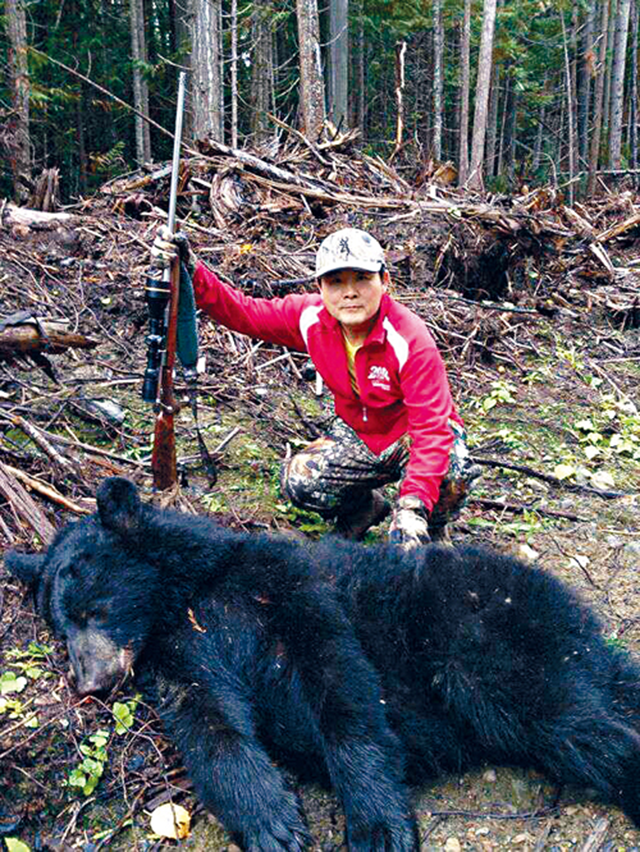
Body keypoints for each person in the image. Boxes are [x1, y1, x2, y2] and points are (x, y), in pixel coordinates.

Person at [151, 226, 479, 549]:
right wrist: (192, 271)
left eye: (362, 279)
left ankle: (432, 529)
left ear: (384, 281)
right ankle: (363, 509)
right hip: (359, 432)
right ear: (320, 287)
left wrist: (412, 507)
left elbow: (431, 430)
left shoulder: (410, 339)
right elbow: (243, 312)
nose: (349, 292)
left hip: (410, 433)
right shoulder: (310, 318)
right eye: (336, 281)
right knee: (300, 482)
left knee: (453, 470)